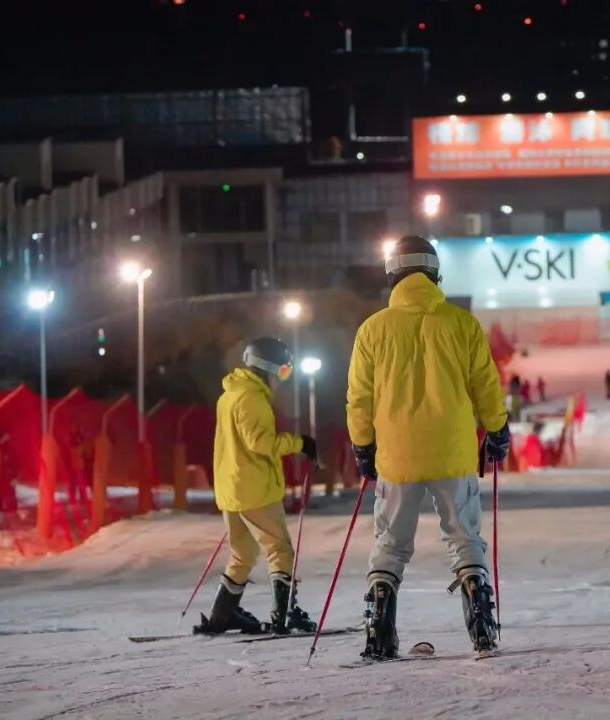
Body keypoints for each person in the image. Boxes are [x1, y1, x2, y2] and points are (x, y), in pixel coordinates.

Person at [347, 235, 511, 660]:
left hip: (397, 456)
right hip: (452, 451)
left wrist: (362, 445)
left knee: (390, 542)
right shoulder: (461, 323)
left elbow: (359, 397)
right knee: (463, 536)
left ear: (393, 275)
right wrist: (497, 429)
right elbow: (485, 384)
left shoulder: (372, 329)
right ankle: (481, 627)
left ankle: (379, 631)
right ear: (435, 273)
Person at [194, 337, 319, 636]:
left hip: (232, 487)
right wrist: (300, 443)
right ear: (269, 369)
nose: (282, 380)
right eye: (284, 372)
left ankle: (223, 614)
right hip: (254, 487)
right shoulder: (252, 398)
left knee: (243, 554)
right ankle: (284, 615)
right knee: (280, 550)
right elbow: (260, 442)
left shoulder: (230, 395)